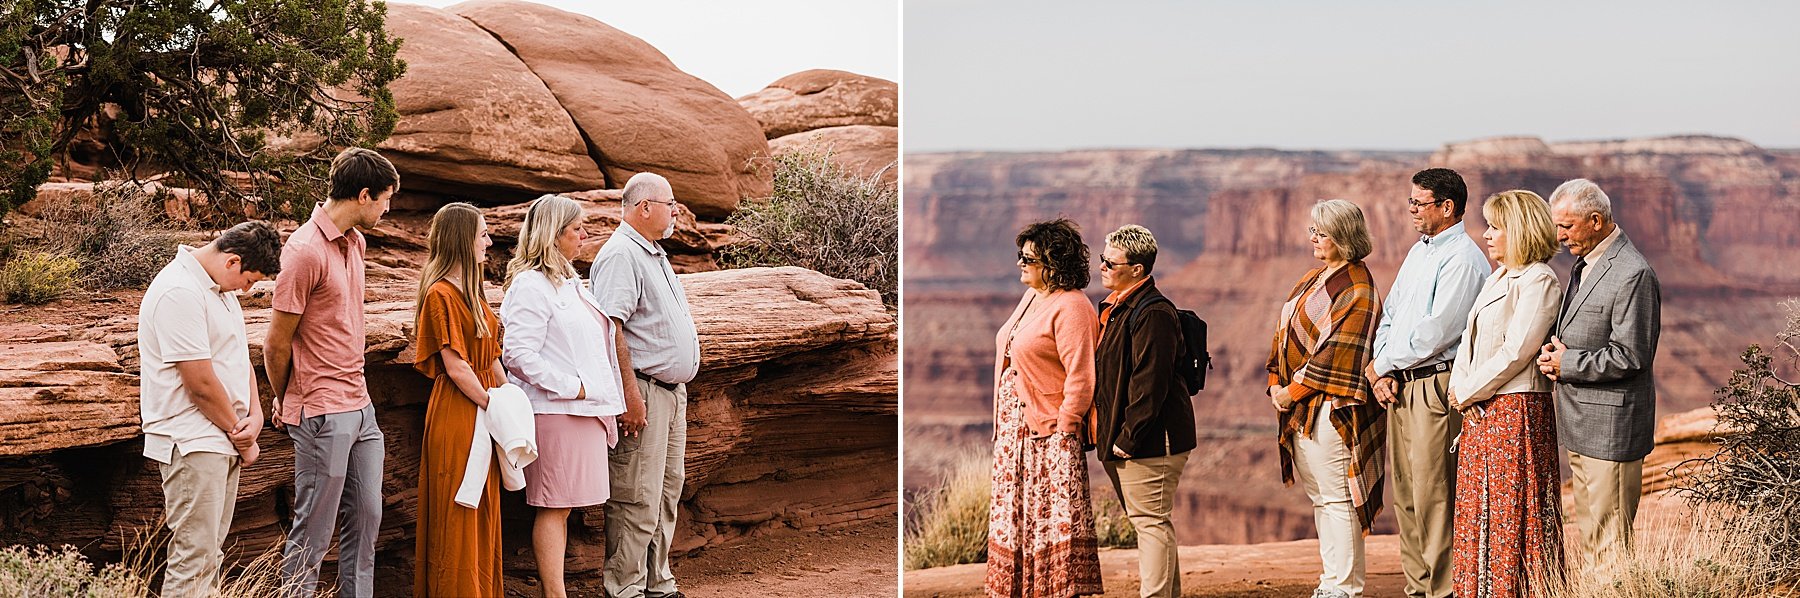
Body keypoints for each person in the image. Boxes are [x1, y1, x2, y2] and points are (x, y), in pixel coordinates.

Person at [266, 146, 397, 598]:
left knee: (367, 519)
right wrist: (286, 399)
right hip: (321, 411)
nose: (387, 208)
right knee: (314, 532)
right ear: (364, 195)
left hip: (361, 408)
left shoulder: (355, 242)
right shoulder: (303, 251)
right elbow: (277, 341)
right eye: (384, 199)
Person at [138, 221, 282, 597]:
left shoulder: (220, 290)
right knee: (193, 558)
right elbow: (199, 382)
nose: (248, 289)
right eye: (250, 280)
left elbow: (238, 357)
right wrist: (243, 436)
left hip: (221, 438)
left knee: (209, 555)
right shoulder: (179, 291)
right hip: (192, 441)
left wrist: (256, 414)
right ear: (232, 261)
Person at [1365, 167, 1490, 598]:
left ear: (1447, 207)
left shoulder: (1464, 259)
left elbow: (1437, 332)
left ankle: (1444, 591)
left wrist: (1382, 366)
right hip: (1402, 384)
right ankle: (1417, 588)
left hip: (1436, 387)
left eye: (1419, 203)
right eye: (1411, 202)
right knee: (1407, 494)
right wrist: (1383, 366)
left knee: (1436, 495)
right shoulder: (1420, 252)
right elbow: (1392, 315)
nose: (1411, 209)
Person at [501, 194, 630, 598]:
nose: (584, 235)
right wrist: (571, 386)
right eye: (577, 229)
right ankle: (554, 594)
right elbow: (518, 354)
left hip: (584, 410)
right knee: (553, 505)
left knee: (565, 506)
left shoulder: (572, 282)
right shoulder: (530, 285)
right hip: (557, 412)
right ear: (554, 235)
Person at [1536, 178, 1661, 571]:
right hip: (1581, 422)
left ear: (1595, 220)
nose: (1559, 236)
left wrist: (1567, 363)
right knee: (1591, 537)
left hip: (1612, 427)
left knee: (1609, 545)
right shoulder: (1584, 264)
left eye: (1567, 226)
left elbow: (1631, 355)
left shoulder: (1631, 272)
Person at [1447, 190, 1566, 596]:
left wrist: (1467, 392)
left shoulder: (1539, 280)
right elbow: (1469, 339)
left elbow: (1518, 350)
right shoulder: (1497, 277)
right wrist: (1458, 387)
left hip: (1516, 410)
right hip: (1482, 409)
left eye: (1496, 227)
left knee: (1513, 510)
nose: (1487, 235)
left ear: (1519, 231)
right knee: (1479, 509)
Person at [1267, 199, 1386, 598]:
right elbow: (1283, 334)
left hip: (1332, 410)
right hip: (1300, 407)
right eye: (1312, 230)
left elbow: (1338, 357)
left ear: (1344, 237)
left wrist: (1289, 393)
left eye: (1321, 232)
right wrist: (1273, 382)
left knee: (1337, 499)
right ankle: (1330, 580)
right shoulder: (1312, 278)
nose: (1313, 238)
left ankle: (1346, 586)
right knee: (1321, 498)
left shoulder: (1359, 289)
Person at [985, 217, 1103, 598]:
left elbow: (1081, 375)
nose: (1021, 263)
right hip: (1014, 438)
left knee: (1052, 521)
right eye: (1020, 256)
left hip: (1048, 436)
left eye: (1029, 259)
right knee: (1020, 520)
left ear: (1053, 263)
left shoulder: (1072, 308)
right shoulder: (1034, 297)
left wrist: (1066, 428)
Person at [589, 172, 691, 598]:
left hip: (670, 393)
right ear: (644, 207)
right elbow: (611, 330)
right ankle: (625, 588)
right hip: (644, 391)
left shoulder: (653, 254)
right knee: (636, 494)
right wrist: (629, 396)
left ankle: (657, 584)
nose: (675, 211)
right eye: (670, 204)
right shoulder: (620, 256)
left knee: (666, 491)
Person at [1090, 224, 1193, 598]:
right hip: (1130, 440)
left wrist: (1127, 439)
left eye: (1110, 262)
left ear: (1137, 269)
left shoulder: (1153, 313)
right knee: (1151, 524)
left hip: (1150, 442)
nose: (1101, 267)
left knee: (1151, 524)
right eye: (1103, 259)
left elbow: (1152, 382)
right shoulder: (1120, 307)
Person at [411, 202, 507, 596]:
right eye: (482, 233)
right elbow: (457, 367)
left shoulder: (474, 295)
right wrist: (492, 404)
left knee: (484, 506)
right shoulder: (440, 294)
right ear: (462, 239)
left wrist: (512, 404)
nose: (488, 241)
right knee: (460, 507)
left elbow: (491, 360)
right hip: (461, 412)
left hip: (486, 406)